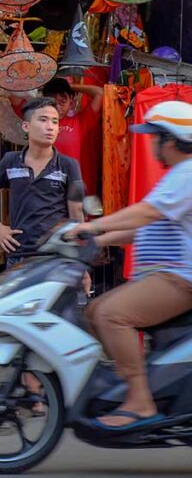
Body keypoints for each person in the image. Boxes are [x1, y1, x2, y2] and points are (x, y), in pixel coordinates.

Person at [69, 101, 192, 430]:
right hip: (168, 274)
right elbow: (146, 227)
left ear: (171, 139)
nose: (150, 144)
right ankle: (130, 381)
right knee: (95, 310)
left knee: (111, 314)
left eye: (155, 137)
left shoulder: (187, 173)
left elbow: (147, 214)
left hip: (182, 278)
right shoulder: (177, 176)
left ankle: (140, 401)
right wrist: (95, 238)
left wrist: (94, 227)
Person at [0, 97, 85, 268]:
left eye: (55, 121)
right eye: (43, 120)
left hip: (56, 258)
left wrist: (79, 263)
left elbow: (76, 216)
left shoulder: (68, 165)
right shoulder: (10, 161)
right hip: (18, 256)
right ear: (26, 126)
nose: (50, 127)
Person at [42, 77, 103, 193]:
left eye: (62, 102)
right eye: (52, 103)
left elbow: (100, 93)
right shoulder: (39, 124)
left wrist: (68, 87)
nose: (57, 108)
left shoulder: (82, 121)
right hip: (49, 193)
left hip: (80, 190)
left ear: (71, 100)